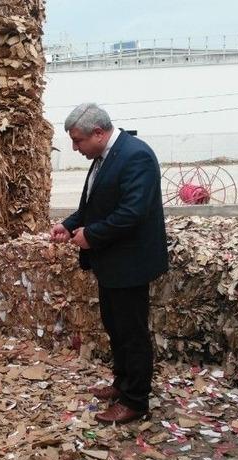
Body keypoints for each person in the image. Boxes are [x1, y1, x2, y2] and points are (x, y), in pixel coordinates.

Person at [50, 103, 168, 424]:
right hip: (112, 263)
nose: (75, 148)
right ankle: (122, 383)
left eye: (78, 141)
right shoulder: (104, 157)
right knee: (115, 327)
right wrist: (71, 225)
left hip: (130, 263)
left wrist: (92, 236)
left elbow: (132, 213)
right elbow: (93, 206)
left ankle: (136, 400)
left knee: (131, 332)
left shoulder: (136, 156)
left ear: (99, 134)